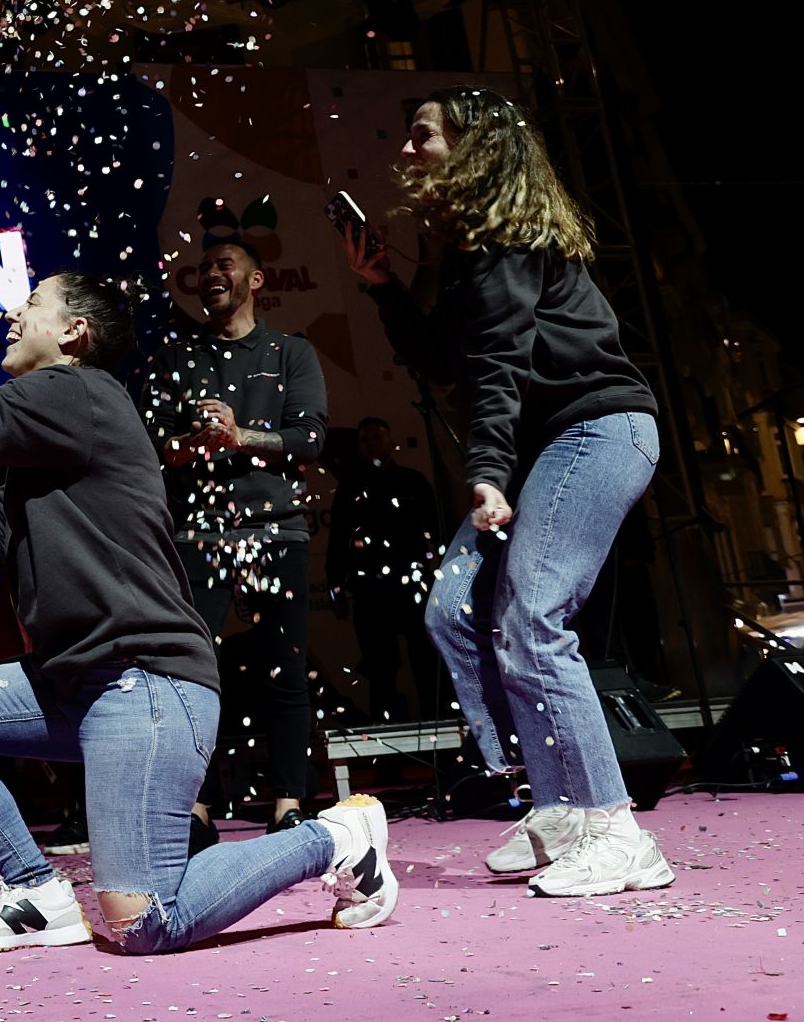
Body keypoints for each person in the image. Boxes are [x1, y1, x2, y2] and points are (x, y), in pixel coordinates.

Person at [0, 271, 397, 953]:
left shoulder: (81, 393)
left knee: (143, 919)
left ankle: (337, 838)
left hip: (144, 679)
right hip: (73, 681)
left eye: (32, 304)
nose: (12, 313)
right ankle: (36, 893)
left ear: (74, 333)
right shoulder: (49, 429)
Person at [342, 85, 671, 898]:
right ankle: (557, 802)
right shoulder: (467, 248)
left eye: (425, 134)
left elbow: (500, 368)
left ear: (477, 147)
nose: (409, 150)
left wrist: (485, 471)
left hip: (594, 431)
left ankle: (615, 829)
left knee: (533, 618)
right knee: (453, 611)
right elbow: (450, 363)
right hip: (541, 449)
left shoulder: (507, 234)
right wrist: (382, 284)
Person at [142, 240, 328, 842]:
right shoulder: (175, 354)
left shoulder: (290, 352)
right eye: (204, 268)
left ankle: (289, 803)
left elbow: (310, 439)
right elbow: (154, 447)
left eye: (225, 265)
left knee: (287, 671)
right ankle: (197, 809)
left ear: (256, 278)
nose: (212, 275)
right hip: (199, 533)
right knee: (196, 675)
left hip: (277, 529)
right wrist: (196, 443)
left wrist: (240, 434)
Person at [326, 417, 445, 721]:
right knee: (380, 667)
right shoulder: (350, 487)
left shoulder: (412, 482)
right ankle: (386, 755)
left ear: (391, 441)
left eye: (377, 437)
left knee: (426, 660)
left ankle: (440, 734)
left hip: (413, 586)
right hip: (370, 591)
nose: (372, 444)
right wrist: (335, 586)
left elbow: (438, 529)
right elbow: (338, 539)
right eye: (365, 439)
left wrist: (444, 577)